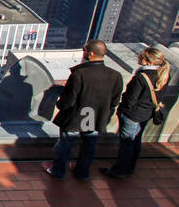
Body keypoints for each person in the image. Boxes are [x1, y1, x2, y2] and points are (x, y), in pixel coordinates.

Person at [44, 39, 123, 182]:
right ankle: (82, 172)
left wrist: (59, 106)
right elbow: (115, 100)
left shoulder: (79, 74)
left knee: (65, 144)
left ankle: (58, 171)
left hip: (76, 116)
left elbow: (69, 100)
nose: (83, 52)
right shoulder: (115, 75)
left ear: (90, 53)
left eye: (84, 50)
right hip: (97, 116)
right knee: (89, 145)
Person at [103, 47, 169, 180]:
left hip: (132, 115)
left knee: (126, 143)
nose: (139, 58)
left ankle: (119, 170)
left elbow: (131, 99)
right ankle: (131, 166)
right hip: (146, 114)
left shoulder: (141, 77)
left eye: (142, 57)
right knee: (136, 140)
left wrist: (123, 110)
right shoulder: (162, 75)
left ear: (149, 62)